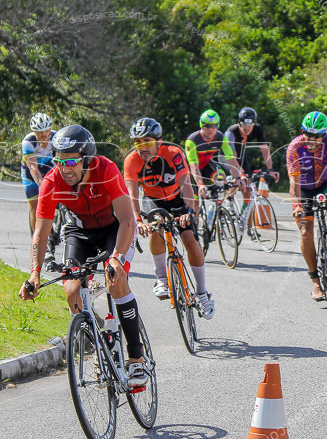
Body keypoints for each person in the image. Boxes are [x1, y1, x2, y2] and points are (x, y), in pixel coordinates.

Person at [19, 124, 148, 386]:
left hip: (115, 228)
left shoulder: (106, 169)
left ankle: (137, 359)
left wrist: (117, 258)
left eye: (70, 162)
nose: (64, 168)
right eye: (59, 161)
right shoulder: (52, 181)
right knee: (71, 291)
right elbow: (41, 233)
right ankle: (101, 350)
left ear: (86, 159)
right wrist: (34, 273)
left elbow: (127, 220)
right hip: (80, 232)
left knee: (116, 281)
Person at [124, 117, 215, 318]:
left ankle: (202, 293)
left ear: (158, 141)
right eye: (137, 143)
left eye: (146, 142)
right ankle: (162, 279)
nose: (142, 147)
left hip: (178, 199)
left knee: (190, 240)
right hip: (153, 200)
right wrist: (138, 221)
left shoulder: (173, 153)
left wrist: (190, 212)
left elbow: (187, 185)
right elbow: (132, 194)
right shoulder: (132, 160)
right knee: (156, 228)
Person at [288, 111, 327, 301]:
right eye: (309, 134)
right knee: (306, 231)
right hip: (304, 189)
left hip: (325, 183)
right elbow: (294, 183)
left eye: (317, 136)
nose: (313, 139)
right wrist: (297, 205)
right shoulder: (294, 148)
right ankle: (315, 281)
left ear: (323, 135)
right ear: (302, 131)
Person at [185, 109, 245, 199]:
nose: (211, 129)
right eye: (207, 126)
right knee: (195, 200)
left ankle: (219, 207)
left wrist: (238, 178)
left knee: (222, 179)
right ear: (202, 125)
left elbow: (231, 160)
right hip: (190, 168)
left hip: (206, 164)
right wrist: (200, 184)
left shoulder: (221, 138)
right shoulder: (192, 140)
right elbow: (194, 166)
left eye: (214, 126)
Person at [224, 106, 278, 204]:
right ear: (239, 122)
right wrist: (240, 174)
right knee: (237, 179)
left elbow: (265, 151)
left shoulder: (257, 129)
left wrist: (270, 169)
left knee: (247, 187)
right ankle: (229, 202)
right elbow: (232, 156)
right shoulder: (231, 132)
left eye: (250, 124)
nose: (247, 127)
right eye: (244, 123)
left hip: (241, 153)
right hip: (227, 156)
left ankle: (245, 217)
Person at [21, 113, 55, 233]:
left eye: (46, 130)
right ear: (34, 132)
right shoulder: (28, 142)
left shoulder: (56, 138)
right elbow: (33, 168)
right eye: (40, 132)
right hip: (30, 172)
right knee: (35, 207)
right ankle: (36, 238)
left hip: (48, 167)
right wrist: (42, 185)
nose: (44, 134)